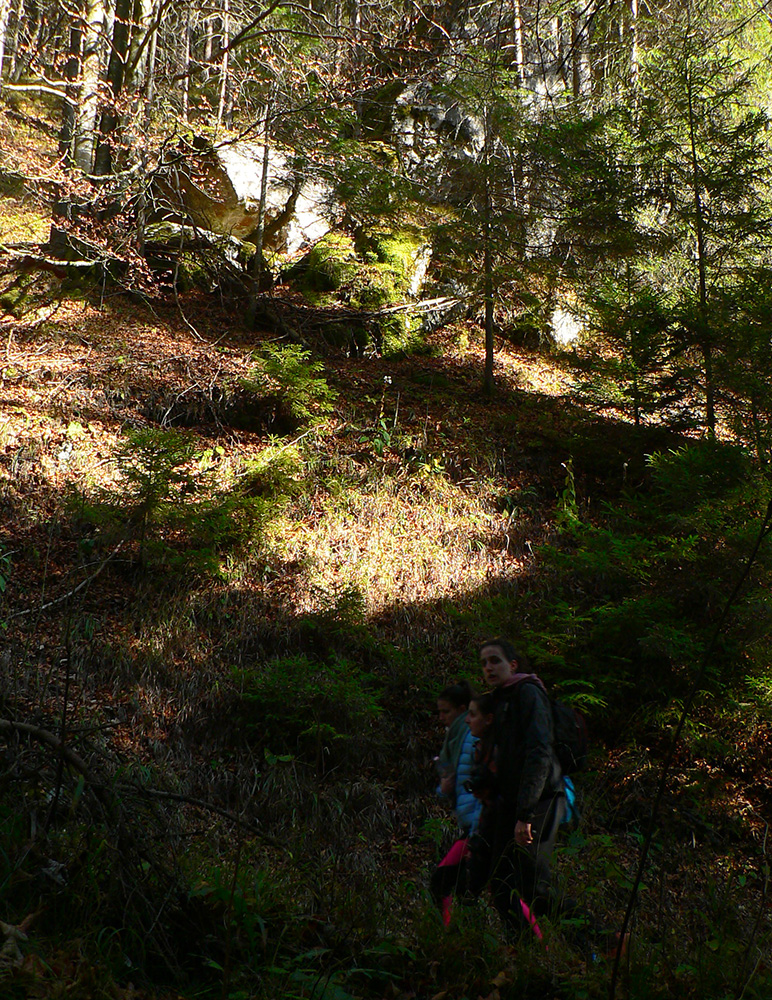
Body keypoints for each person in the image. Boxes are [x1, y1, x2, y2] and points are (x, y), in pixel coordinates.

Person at [476, 638, 626, 957]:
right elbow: (508, 760)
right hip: (513, 802)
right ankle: (525, 953)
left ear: (513, 665)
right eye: (484, 662)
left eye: (495, 661)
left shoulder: (529, 694)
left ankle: (604, 942)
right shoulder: (500, 701)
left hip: (540, 801)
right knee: (501, 884)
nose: (488, 667)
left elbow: (539, 751)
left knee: (535, 889)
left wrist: (526, 813)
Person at [434, 681, 481, 836]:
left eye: (446, 712)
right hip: (467, 820)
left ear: (461, 710)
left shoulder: (472, 738)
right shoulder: (453, 740)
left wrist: (477, 828)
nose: (441, 717)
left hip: (477, 823)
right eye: (440, 712)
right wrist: (443, 789)